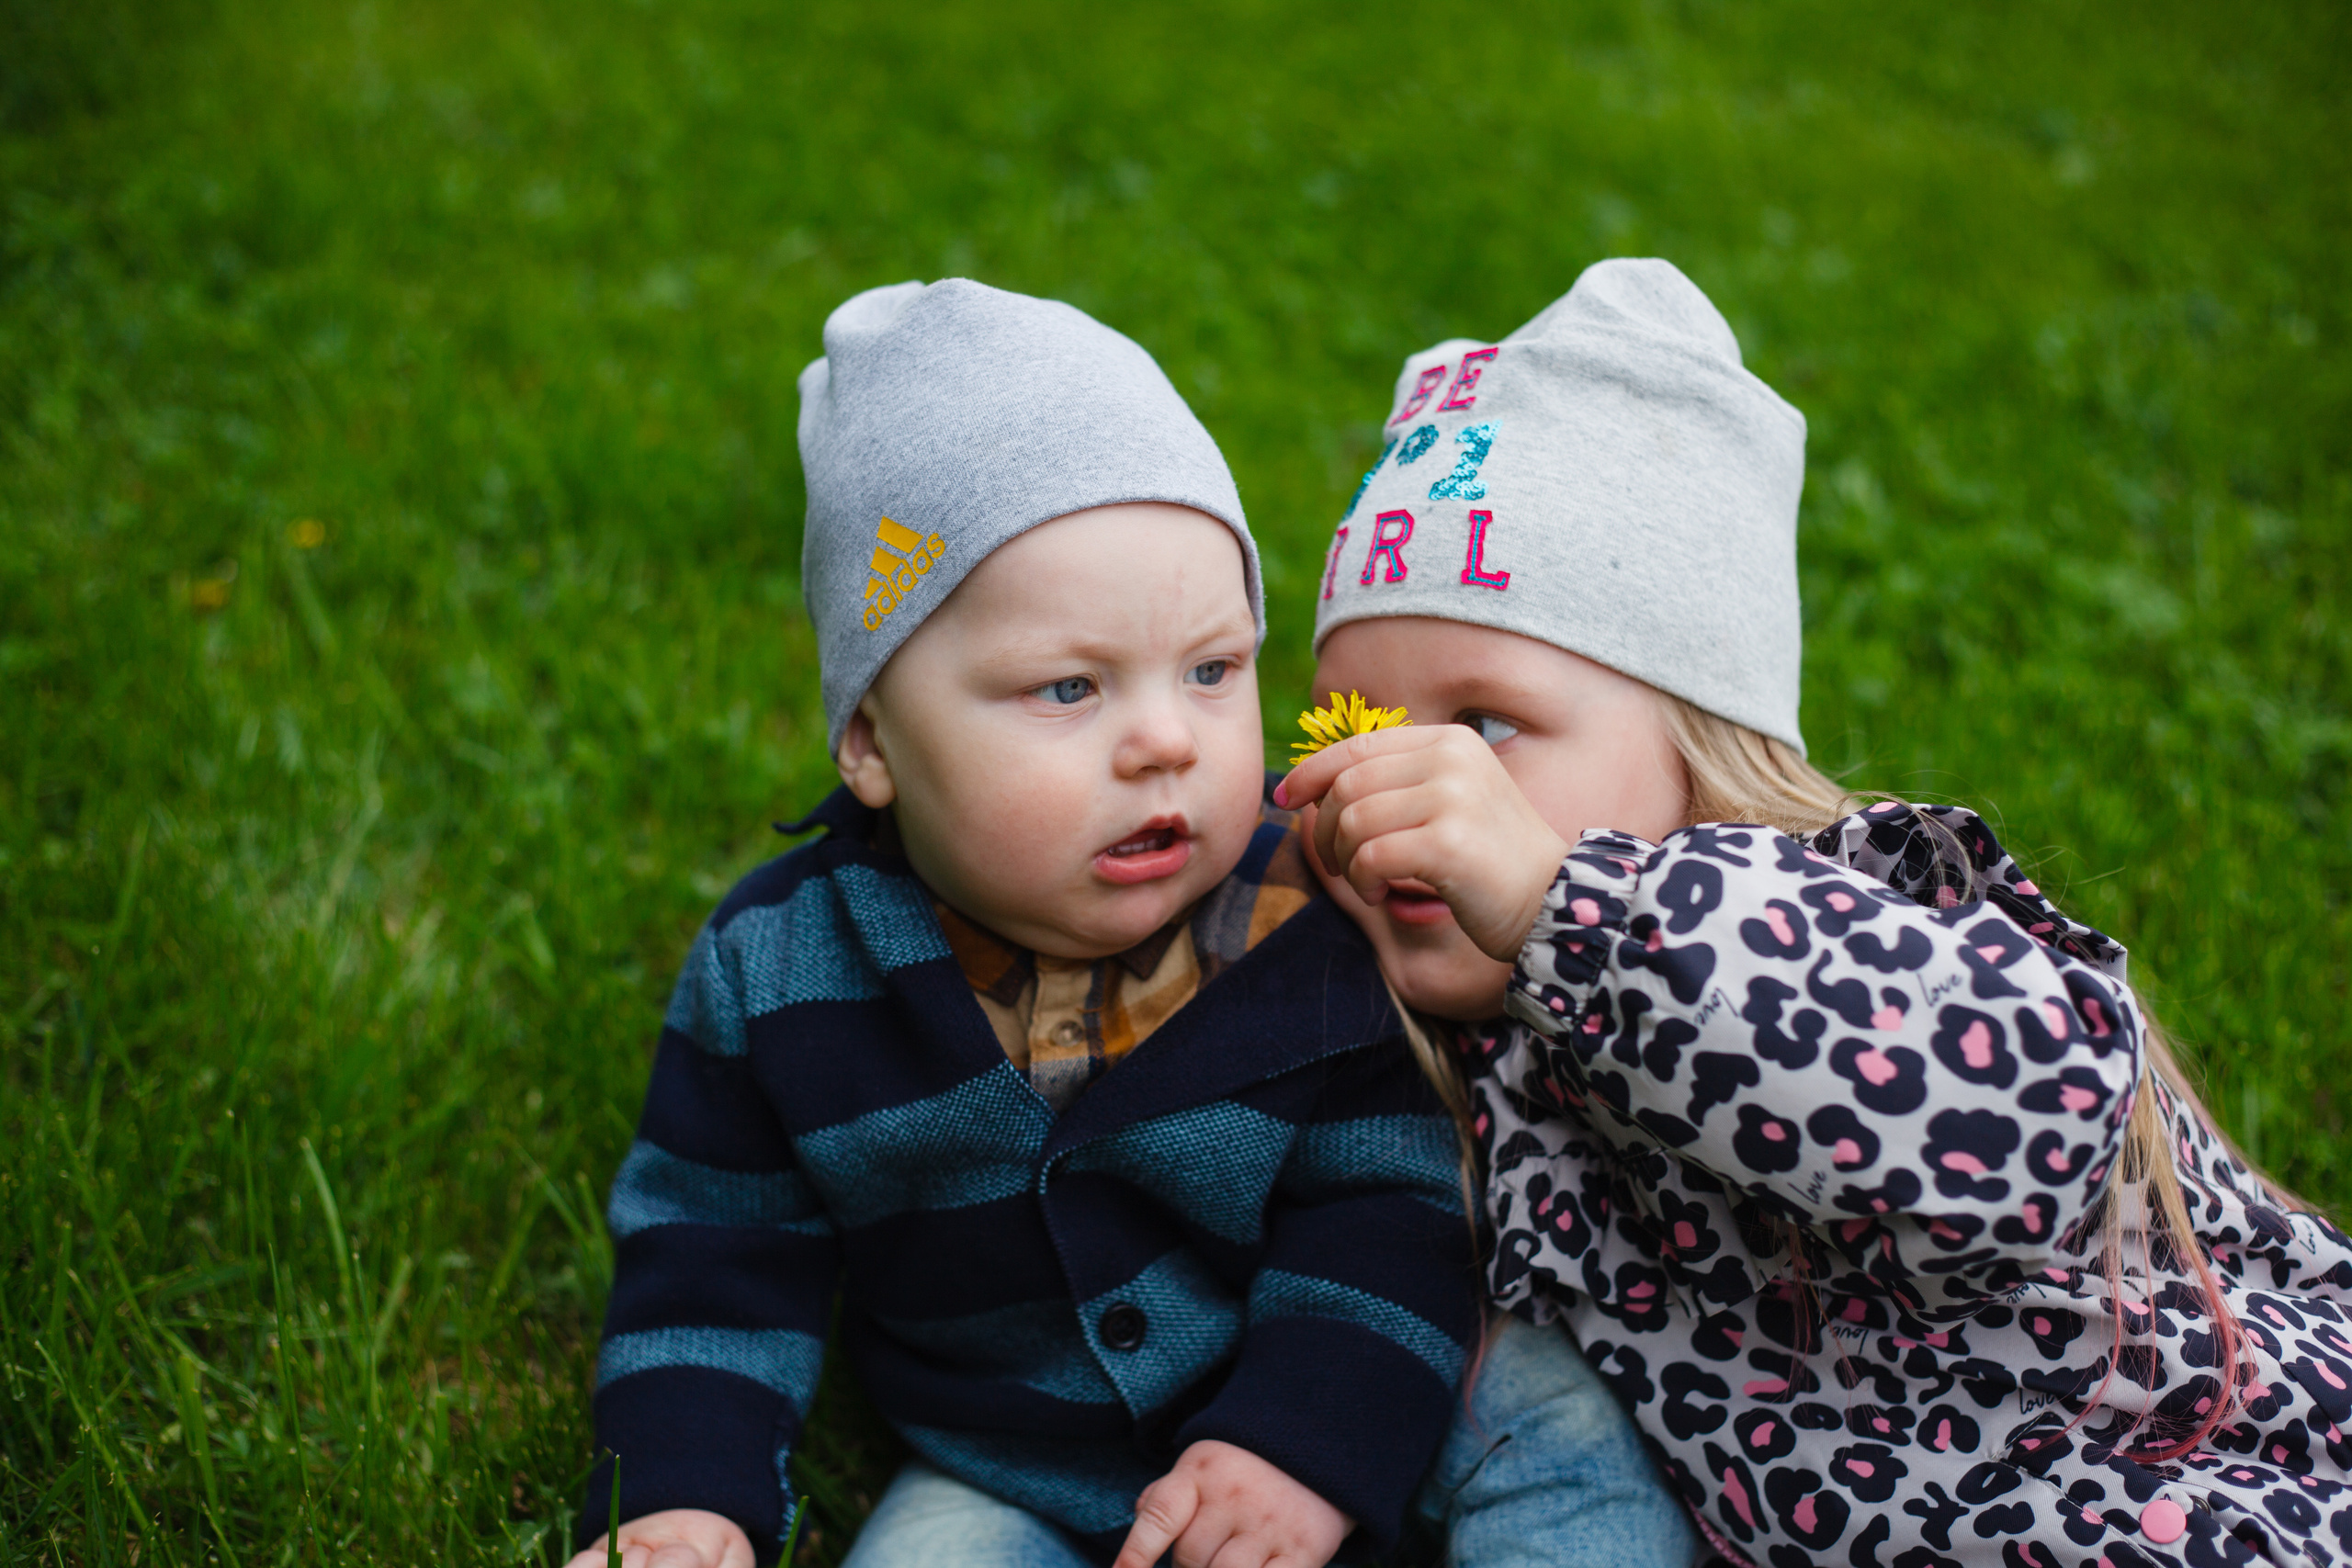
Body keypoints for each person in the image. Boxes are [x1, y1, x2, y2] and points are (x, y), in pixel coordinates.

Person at [1277, 257, 2352, 1568]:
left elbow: (2044, 1106)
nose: (1409, 782)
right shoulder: (1451, 1042)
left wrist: (1573, 907)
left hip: (2182, 1494)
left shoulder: (1822, 907)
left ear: (1697, 746)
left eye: (1486, 724)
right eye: (1360, 730)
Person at [570, 276, 1488, 1568]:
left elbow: (1394, 1212)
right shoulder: (780, 975)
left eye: (1214, 669)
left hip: (1303, 1454)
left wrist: (1299, 1445)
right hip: (1010, 1466)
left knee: (1546, 1434)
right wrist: (683, 1495)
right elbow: (716, 1253)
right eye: (1069, 687)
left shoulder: (1309, 928)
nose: (1167, 739)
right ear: (872, 741)